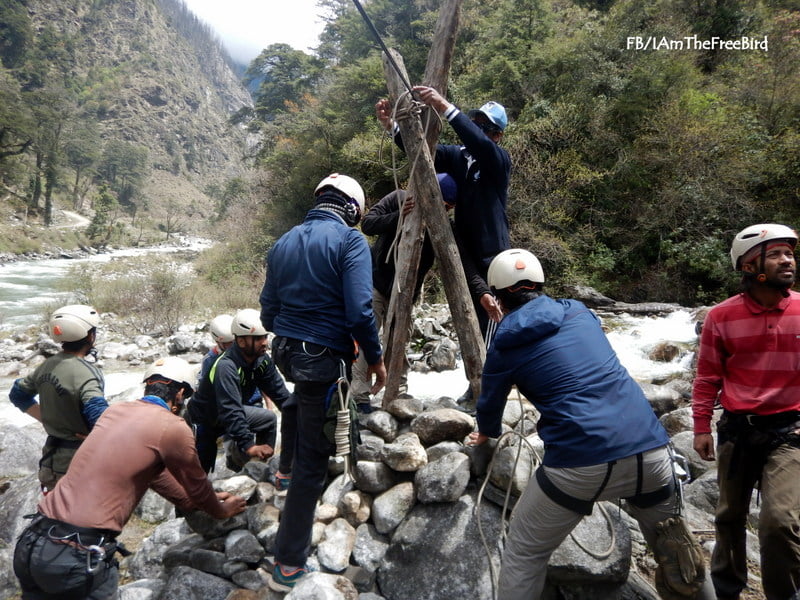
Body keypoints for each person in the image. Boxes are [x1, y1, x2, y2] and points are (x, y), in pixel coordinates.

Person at [470, 249, 711, 600]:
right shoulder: (579, 312)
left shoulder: (503, 345)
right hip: (651, 450)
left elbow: (489, 407)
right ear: (539, 283)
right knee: (678, 548)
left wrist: (485, 433)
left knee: (524, 551)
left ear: (498, 295)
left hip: (579, 462)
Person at [13, 356, 247, 600]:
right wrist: (219, 509)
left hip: (33, 542)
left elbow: (153, 475)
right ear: (179, 394)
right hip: (77, 553)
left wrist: (189, 502)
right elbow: (197, 484)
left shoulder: (114, 412)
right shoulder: (173, 426)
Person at [260, 172, 386, 591]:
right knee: (314, 461)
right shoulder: (351, 243)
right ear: (352, 207)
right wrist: (376, 359)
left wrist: (295, 332)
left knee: (302, 403)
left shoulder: (282, 242)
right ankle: (289, 563)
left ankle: (282, 473)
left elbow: (267, 313)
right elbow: (359, 312)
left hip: (285, 352)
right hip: (321, 356)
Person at [376, 86, 509, 404]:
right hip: (465, 251)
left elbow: (477, 142)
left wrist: (447, 108)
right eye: (475, 121)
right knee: (473, 318)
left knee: (492, 321)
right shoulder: (462, 159)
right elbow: (423, 151)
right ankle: (476, 385)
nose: (478, 129)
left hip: (494, 254)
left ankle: (490, 393)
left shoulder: (497, 160)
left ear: (497, 135)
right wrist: (393, 127)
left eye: (485, 127)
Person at [692, 223, 800, 600]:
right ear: (750, 265)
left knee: (779, 523)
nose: (788, 260)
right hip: (738, 429)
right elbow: (707, 376)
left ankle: (784, 595)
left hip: (791, 432)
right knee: (728, 517)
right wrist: (701, 426)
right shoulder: (721, 317)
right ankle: (727, 590)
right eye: (776, 254)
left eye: (790, 253)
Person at [350, 172, 497, 410]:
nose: (445, 210)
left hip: (407, 295)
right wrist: (401, 216)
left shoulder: (443, 226)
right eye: (443, 204)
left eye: (449, 207)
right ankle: (359, 397)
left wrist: (482, 292)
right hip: (375, 285)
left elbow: (463, 263)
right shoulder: (398, 198)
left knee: (400, 342)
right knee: (366, 340)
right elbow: (367, 224)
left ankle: (398, 394)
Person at [8, 304, 107, 492]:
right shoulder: (87, 373)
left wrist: (46, 418)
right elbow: (99, 415)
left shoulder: (47, 365)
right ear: (90, 336)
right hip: (79, 466)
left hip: (50, 464)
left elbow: (18, 394)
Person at [188, 308, 293, 478]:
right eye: (258, 338)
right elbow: (230, 408)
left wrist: (300, 419)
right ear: (242, 341)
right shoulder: (226, 366)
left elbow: (280, 394)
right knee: (199, 473)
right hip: (204, 420)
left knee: (268, 419)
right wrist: (249, 445)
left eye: (265, 336)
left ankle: (255, 471)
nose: (265, 342)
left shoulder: (262, 361)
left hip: (227, 414)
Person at [200, 314, 263, 407]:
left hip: (253, 403)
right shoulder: (209, 361)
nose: (231, 347)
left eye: (233, 343)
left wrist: (269, 407)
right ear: (218, 342)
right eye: (227, 344)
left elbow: (262, 380)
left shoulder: (249, 355)